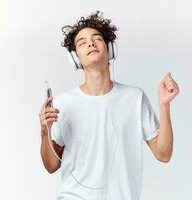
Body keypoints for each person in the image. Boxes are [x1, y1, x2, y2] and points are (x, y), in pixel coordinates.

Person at [39, 10, 179, 200]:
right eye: (82, 42)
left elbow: (163, 154)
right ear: (75, 59)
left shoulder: (135, 98)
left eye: (97, 39)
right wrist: (45, 132)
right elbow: (51, 166)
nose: (90, 43)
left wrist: (164, 105)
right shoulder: (62, 103)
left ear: (110, 48)